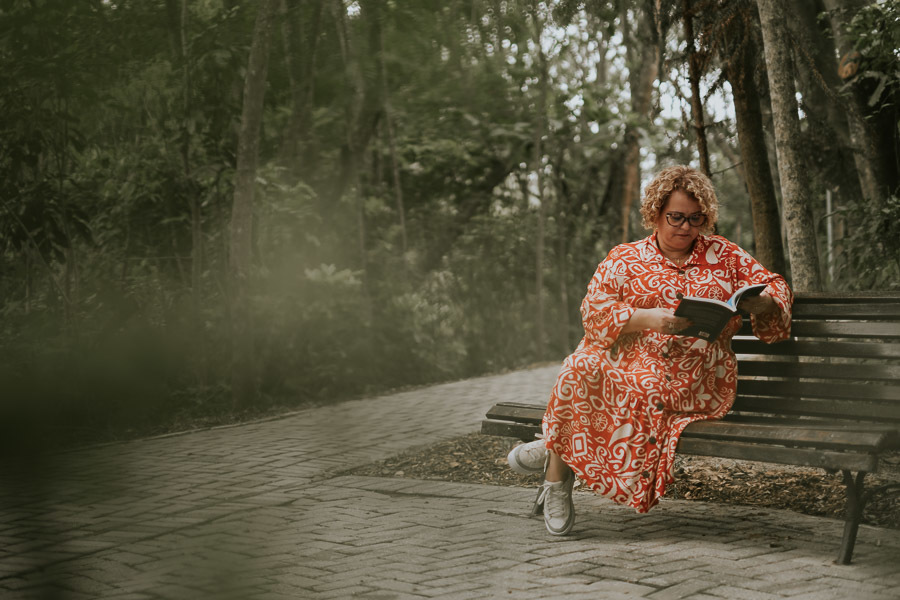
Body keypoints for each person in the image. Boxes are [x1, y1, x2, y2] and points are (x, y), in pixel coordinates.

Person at [507, 165, 793, 535]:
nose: (686, 227)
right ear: (655, 212)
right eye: (675, 216)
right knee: (579, 366)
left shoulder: (725, 255)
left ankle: (554, 449)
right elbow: (593, 312)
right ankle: (557, 481)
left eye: (696, 218)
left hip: (696, 374)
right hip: (631, 363)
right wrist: (646, 318)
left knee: (646, 387)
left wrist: (764, 303)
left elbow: (775, 285)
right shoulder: (624, 258)